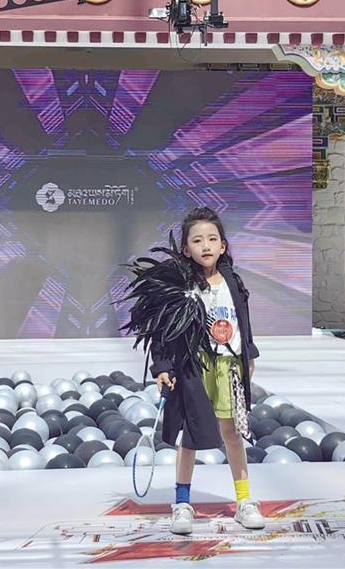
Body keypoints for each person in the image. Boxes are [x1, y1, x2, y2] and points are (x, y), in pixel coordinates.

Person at [121, 206, 264, 535]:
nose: (206, 246)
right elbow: (162, 330)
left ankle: (244, 501)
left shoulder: (232, 281)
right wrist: (162, 367)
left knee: (232, 433)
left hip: (229, 366)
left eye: (212, 239)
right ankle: (182, 503)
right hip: (194, 368)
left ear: (223, 246)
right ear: (186, 249)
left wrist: (249, 355)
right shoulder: (179, 285)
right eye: (197, 240)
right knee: (189, 435)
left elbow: (244, 321)